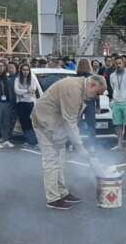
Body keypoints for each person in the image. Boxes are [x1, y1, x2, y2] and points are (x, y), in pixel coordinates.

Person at [31, 74, 108, 210]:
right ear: (92, 85)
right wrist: (80, 147)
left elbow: (71, 120)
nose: (97, 97)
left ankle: (62, 192)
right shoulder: (72, 89)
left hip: (54, 123)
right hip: (45, 122)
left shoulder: (81, 89)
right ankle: (53, 198)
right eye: (97, 93)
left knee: (60, 159)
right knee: (51, 160)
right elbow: (70, 121)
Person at [109, 55, 126, 152]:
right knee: (118, 124)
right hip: (116, 102)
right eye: (116, 64)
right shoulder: (112, 75)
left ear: (124, 64)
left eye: (120, 63)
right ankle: (119, 143)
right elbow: (113, 87)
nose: (118, 65)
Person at [13, 62, 37, 147]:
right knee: (23, 123)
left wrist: (22, 92)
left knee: (30, 123)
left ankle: (33, 141)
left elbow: (33, 90)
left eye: (27, 70)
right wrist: (26, 91)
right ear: (21, 70)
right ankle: (28, 140)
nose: (25, 71)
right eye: (24, 70)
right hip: (20, 104)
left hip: (30, 103)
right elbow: (16, 91)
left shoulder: (33, 79)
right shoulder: (17, 79)